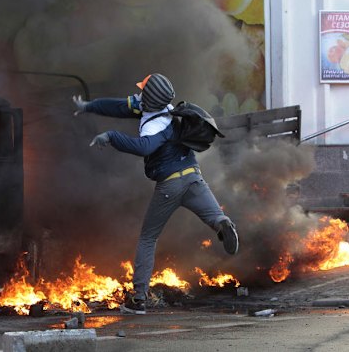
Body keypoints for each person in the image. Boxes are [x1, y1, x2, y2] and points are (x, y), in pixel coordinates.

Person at [72, 73, 239, 315]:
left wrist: (111, 137)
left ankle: (138, 299)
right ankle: (222, 223)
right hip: (194, 177)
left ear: (149, 99)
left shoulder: (154, 125)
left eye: (142, 92)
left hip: (170, 185)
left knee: (148, 238)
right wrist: (89, 106)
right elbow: (120, 106)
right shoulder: (166, 109)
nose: (138, 95)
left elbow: (145, 147)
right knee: (214, 217)